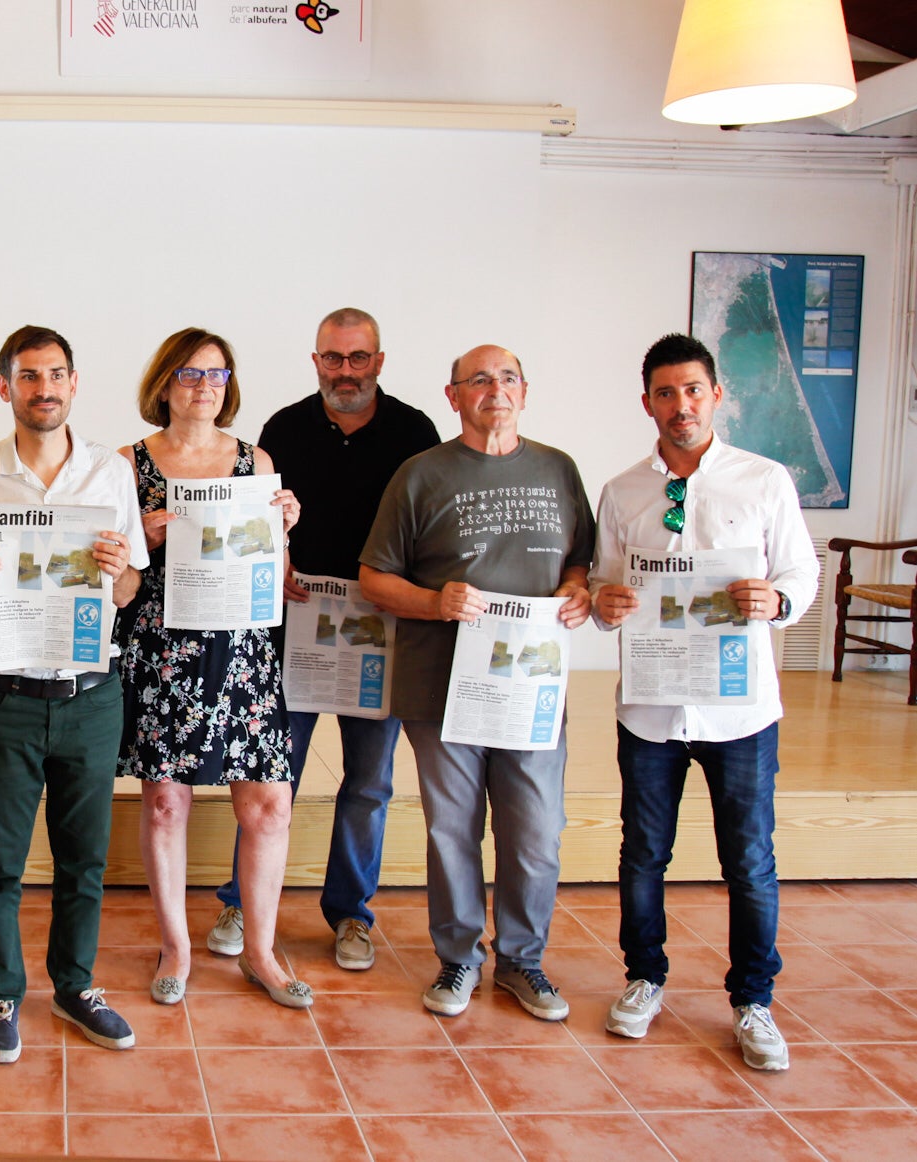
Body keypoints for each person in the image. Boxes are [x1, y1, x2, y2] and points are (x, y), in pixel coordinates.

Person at [590, 333, 817, 1071]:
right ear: (646, 401)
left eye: (692, 390)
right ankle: (643, 978)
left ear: (716, 395)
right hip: (650, 713)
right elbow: (597, 587)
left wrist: (774, 597)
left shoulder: (763, 480)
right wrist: (606, 601)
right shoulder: (623, 491)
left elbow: (800, 576)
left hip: (737, 712)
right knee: (642, 856)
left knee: (748, 862)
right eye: (664, 392)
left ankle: (753, 1001)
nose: (679, 406)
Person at [358, 344, 595, 1021]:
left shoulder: (557, 469)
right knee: (452, 831)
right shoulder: (419, 475)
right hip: (442, 690)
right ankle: (458, 956)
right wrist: (434, 602)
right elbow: (375, 578)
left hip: (531, 689)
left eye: (507, 377)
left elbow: (580, 560)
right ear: (452, 395)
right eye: (478, 380)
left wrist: (577, 590)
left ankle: (522, 960)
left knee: (535, 830)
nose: (495, 389)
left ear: (525, 391)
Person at [206, 307, 440, 974]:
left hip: (379, 630)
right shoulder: (282, 428)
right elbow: (253, 517)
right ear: (315, 362)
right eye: (332, 359)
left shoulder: (413, 432)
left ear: (378, 361)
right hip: (295, 627)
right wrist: (270, 565)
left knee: (368, 782)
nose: (345, 371)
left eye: (357, 358)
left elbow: (425, 528)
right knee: (269, 775)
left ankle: (350, 916)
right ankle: (241, 904)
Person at [0, 325, 148, 1064]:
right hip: (3, 695)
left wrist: (122, 567)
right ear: (5, 388)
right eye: (28, 376)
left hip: (91, 695)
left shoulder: (110, 475)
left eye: (56, 374)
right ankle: (1, 991)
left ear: (73, 382)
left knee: (82, 859)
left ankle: (74, 984)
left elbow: (125, 593)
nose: (44, 388)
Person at [117, 328, 307, 1009]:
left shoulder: (254, 461)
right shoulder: (127, 464)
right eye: (190, 375)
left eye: (216, 375)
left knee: (266, 807)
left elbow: (277, 578)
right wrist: (145, 533)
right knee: (166, 803)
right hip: (163, 650)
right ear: (164, 382)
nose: (204, 387)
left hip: (243, 654)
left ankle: (258, 951)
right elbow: (110, 573)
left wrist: (283, 528)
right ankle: (177, 947)